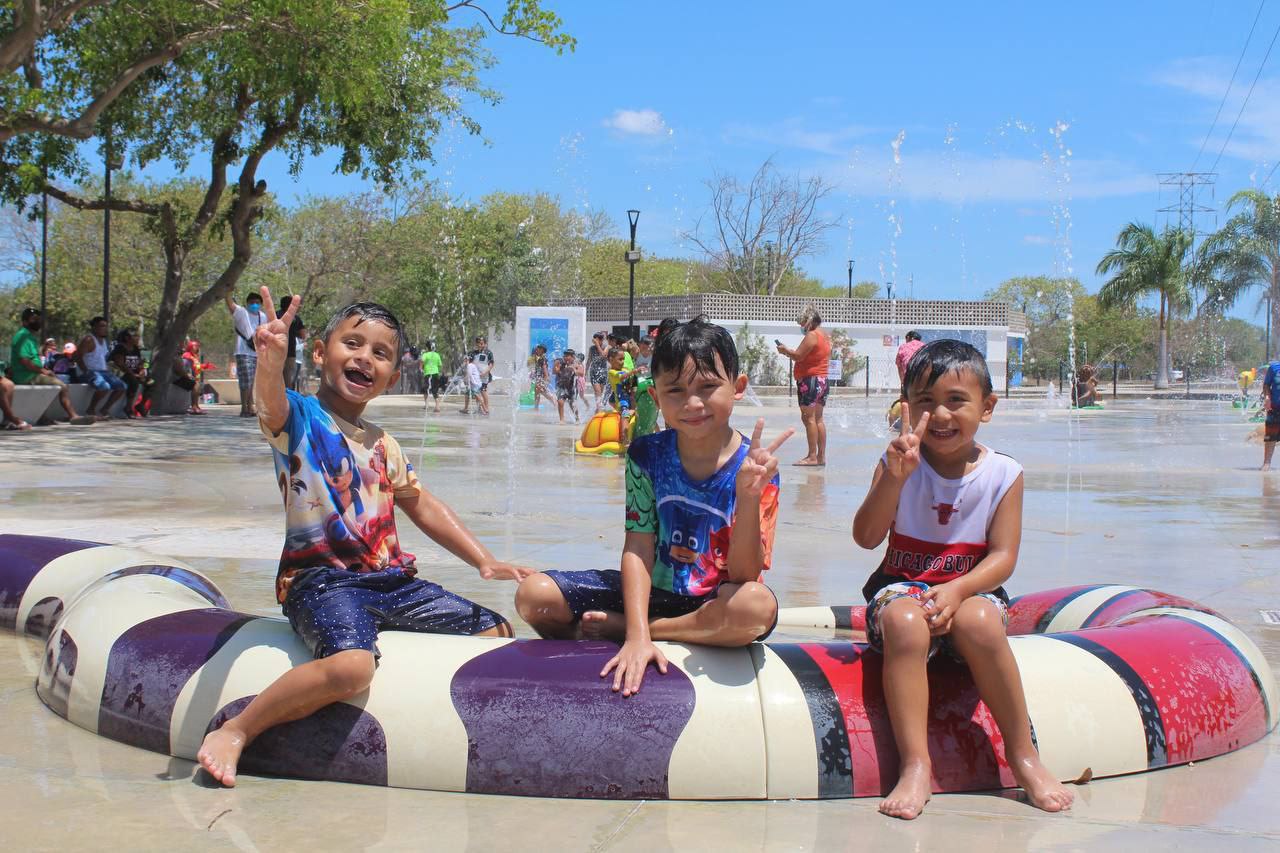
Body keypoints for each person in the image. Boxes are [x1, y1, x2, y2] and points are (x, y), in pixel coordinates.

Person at [196, 290, 535, 788]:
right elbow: (267, 401)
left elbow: (421, 503)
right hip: (321, 582)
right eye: (351, 343)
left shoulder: (383, 443)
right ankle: (238, 729)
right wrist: (271, 361)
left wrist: (484, 561)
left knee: (496, 631)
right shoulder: (298, 420)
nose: (364, 358)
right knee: (352, 667)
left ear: (393, 376)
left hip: (391, 582)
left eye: (380, 353)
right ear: (319, 354)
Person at [851, 339, 1073, 820]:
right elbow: (866, 537)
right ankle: (915, 765)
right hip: (901, 587)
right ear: (908, 410)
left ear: (987, 407)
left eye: (956, 400)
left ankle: (1024, 755)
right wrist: (893, 478)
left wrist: (957, 589)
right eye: (926, 402)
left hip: (973, 590)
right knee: (907, 621)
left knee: (979, 623)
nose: (942, 415)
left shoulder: (1002, 473)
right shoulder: (897, 463)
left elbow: (1003, 557)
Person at [516, 316, 793, 696]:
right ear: (656, 397)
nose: (693, 403)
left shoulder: (757, 467)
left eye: (709, 387)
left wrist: (747, 495)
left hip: (714, 602)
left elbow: (745, 574)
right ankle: (613, 636)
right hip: (653, 594)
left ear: (738, 387)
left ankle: (632, 629)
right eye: (675, 390)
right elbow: (638, 546)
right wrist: (637, 630)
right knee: (534, 595)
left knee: (756, 607)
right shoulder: (647, 455)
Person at [8, 308, 93, 424]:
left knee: (54, 382)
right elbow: (24, 361)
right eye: (34, 319)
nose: (38, 322)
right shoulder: (23, 336)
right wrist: (44, 371)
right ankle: (73, 416)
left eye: (38, 319)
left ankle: (43, 418)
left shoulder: (29, 336)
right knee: (62, 385)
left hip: (32, 374)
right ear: (25, 322)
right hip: (26, 375)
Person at [776, 305, 831, 467]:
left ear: (809, 321)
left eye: (802, 323)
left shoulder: (812, 335)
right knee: (818, 419)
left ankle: (812, 456)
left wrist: (785, 350)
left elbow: (799, 356)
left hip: (810, 381)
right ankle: (821, 457)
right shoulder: (824, 336)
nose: (801, 327)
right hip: (822, 380)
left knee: (808, 418)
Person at [226, 289, 267, 418]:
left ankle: (250, 406)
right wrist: (228, 291)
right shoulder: (241, 312)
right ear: (247, 303)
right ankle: (244, 408)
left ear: (261, 304)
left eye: (257, 302)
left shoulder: (263, 316)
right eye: (252, 302)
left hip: (257, 353)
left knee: (252, 381)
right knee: (246, 381)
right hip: (243, 352)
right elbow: (230, 304)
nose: (254, 305)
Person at [76, 316, 127, 419]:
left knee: (122, 386)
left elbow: (101, 358)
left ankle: (104, 410)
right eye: (102, 326)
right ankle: (91, 410)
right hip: (89, 371)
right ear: (94, 327)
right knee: (104, 387)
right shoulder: (88, 339)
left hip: (103, 372)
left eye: (106, 326)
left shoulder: (104, 341)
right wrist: (86, 371)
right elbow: (77, 357)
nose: (105, 328)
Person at [110, 329, 147, 418]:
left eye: (138, 336)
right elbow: (120, 364)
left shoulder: (136, 348)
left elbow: (141, 362)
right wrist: (134, 374)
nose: (138, 338)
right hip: (121, 374)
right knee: (133, 381)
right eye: (135, 336)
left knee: (151, 382)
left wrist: (142, 370)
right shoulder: (120, 347)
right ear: (127, 338)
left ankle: (141, 405)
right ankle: (128, 407)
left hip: (133, 374)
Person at [175, 339, 214, 414]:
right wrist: (188, 374)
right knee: (196, 385)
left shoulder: (194, 356)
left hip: (192, 376)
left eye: (198, 346)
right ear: (191, 347)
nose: (197, 348)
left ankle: (196, 405)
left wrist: (204, 366)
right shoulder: (187, 355)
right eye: (195, 346)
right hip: (182, 377)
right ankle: (194, 407)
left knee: (198, 385)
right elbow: (185, 367)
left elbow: (195, 366)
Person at [462, 335, 493, 416]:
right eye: (479, 343)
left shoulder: (488, 353)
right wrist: (467, 374)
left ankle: (486, 408)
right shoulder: (472, 353)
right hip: (474, 377)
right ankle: (479, 408)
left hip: (484, 376)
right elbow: (467, 363)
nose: (480, 345)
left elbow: (491, 364)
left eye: (482, 343)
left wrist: (484, 372)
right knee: (475, 392)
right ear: (476, 344)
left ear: (485, 344)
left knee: (483, 391)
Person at [278, 296, 305, 390]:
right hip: (290, 352)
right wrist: (293, 332)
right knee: (288, 377)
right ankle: (289, 400)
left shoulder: (276, 315)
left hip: (276, 351)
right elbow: (303, 335)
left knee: (276, 376)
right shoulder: (296, 318)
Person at [553, 349, 580, 424]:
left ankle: (577, 418)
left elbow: (581, 373)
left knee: (572, 404)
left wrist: (574, 369)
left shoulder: (576, 364)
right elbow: (554, 372)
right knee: (560, 402)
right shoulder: (561, 363)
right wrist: (556, 368)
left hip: (571, 387)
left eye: (567, 356)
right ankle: (562, 419)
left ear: (572, 357)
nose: (565, 357)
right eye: (564, 356)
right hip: (561, 385)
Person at [1263, 358, 1280, 471]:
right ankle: (1266, 464)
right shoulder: (1274, 367)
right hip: (1274, 408)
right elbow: (1266, 385)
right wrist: (1267, 398)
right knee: (1270, 438)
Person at [420, 340, 443, 413]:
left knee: (425, 389)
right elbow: (440, 365)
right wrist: (438, 371)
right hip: (435, 374)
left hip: (427, 374)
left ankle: (427, 405)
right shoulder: (437, 355)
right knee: (435, 390)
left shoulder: (425, 354)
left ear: (427, 347)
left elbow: (422, 361)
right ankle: (437, 406)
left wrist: (421, 368)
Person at [588, 331, 609, 407]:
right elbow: (589, 360)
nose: (595, 341)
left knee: (600, 392)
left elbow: (603, 355)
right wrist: (585, 371)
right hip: (594, 372)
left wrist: (597, 345)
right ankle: (598, 408)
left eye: (596, 340)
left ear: (601, 340)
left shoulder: (606, 346)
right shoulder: (591, 348)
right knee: (597, 391)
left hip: (603, 372)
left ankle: (598, 407)